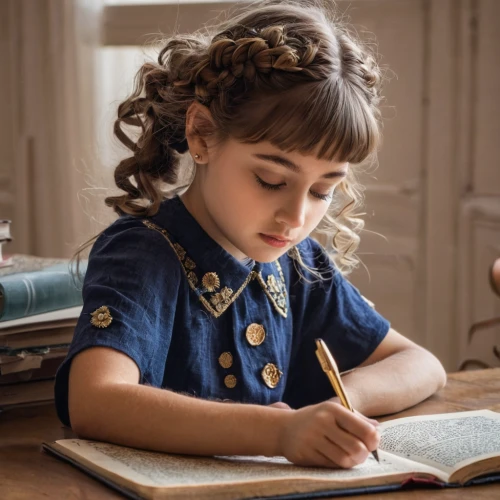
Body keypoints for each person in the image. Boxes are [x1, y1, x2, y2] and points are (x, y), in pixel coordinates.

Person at [55, 0, 446, 469]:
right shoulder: (145, 252)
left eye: (323, 190)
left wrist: (342, 403)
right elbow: (95, 401)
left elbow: (424, 365)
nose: (295, 217)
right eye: (271, 181)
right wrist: (278, 432)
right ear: (201, 134)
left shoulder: (298, 263)